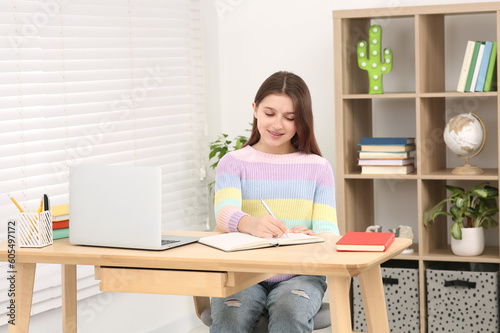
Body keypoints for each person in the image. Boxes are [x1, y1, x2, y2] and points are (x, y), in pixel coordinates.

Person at [211, 71, 339, 333]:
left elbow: (330, 234)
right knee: (231, 316)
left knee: (290, 311)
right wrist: (249, 223)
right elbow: (225, 212)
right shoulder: (233, 163)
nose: (277, 124)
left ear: (301, 120)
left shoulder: (318, 167)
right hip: (243, 273)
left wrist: (312, 237)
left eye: (289, 117)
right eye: (269, 113)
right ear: (255, 110)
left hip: (300, 275)